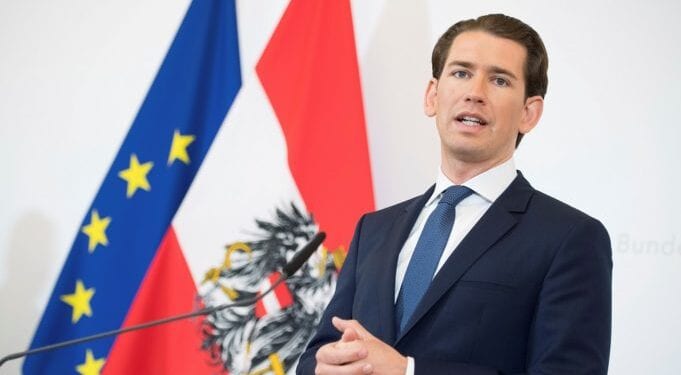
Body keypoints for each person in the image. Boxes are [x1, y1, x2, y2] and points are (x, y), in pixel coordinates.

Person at [297, 14, 612, 375]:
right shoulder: (374, 229)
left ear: (529, 113)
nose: (474, 93)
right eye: (461, 73)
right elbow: (317, 354)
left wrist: (408, 371)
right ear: (433, 95)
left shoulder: (569, 238)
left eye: (499, 80)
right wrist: (322, 368)